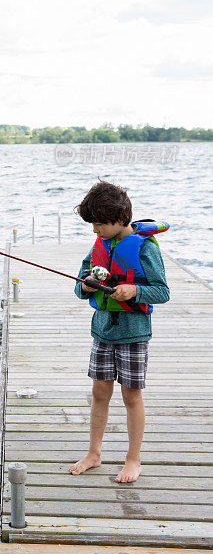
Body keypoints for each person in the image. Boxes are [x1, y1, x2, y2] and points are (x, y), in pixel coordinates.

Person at [69, 180, 170, 483]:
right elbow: (79, 285)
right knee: (99, 392)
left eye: (99, 224)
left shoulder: (145, 247)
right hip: (102, 332)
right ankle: (94, 453)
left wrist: (133, 290)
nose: (94, 230)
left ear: (118, 220)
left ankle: (133, 459)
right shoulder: (99, 245)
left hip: (134, 335)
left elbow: (162, 292)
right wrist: (85, 284)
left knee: (131, 397)